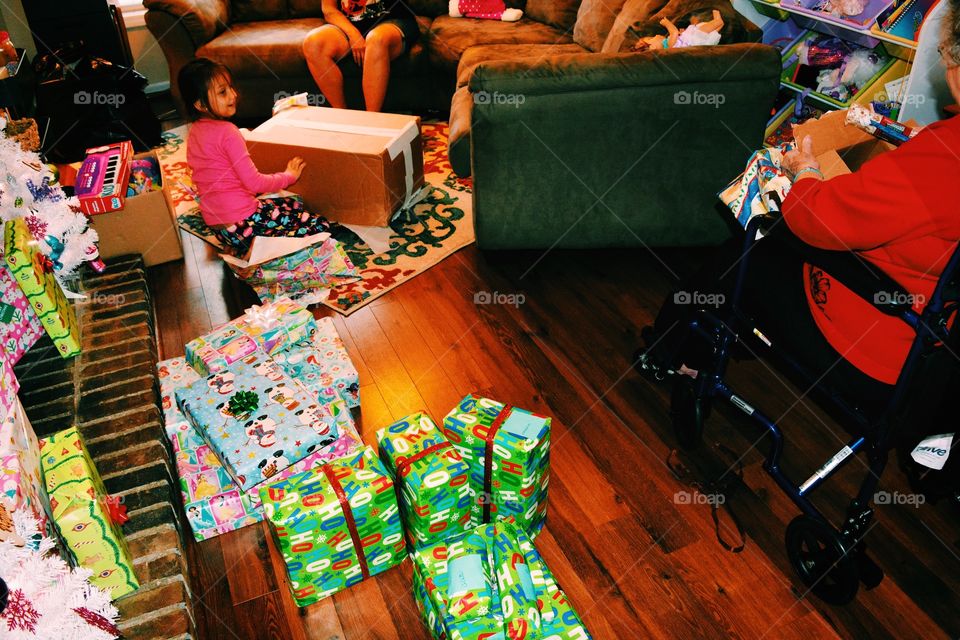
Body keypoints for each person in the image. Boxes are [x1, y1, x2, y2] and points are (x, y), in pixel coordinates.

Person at [637, 0, 960, 403]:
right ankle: (720, 342)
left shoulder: (945, 154)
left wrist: (805, 172)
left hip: (878, 342)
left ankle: (670, 355)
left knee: (745, 252)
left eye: (947, 56)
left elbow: (818, 222)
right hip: (936, 350)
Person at [178, 58, 331, 256]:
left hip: (220, 229)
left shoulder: (194, 132)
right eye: (222, 92)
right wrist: (288, 176)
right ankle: (259, 249)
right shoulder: (228, 132)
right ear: (200, 104)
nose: (233, 95)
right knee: (320, 225)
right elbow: (255, 184)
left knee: (290, 205)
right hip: (243, 224)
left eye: (230, 88)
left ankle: (244, 244)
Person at [302, 0, 420, 112]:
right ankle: (342, 115)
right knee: (313, 43)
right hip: (350, 25)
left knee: (375, 40)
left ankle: (371, 118)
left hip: (392, 20)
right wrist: (354, 35)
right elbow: (329, 9)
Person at [632, 10, 724, 52]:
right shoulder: (668, 47)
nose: (655, 35)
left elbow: (677, 37)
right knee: (701, 29)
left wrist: (681, 34)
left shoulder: (670, 44)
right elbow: (674, 32)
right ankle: (716, 15)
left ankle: (719, 23)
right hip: (694, 39)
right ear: (653, 47)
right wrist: (667, 23)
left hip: (697, 41)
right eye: (651, 38)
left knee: (712, 30)